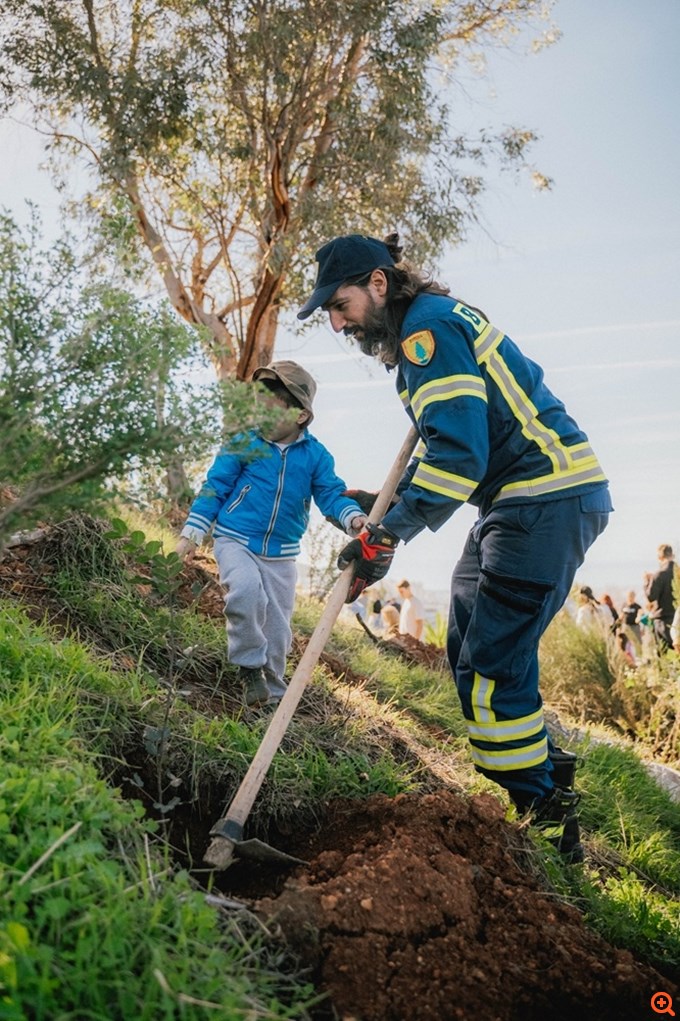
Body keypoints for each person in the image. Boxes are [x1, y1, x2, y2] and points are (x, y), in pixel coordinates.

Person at [298, 232, 613, 861]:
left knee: (491, 671)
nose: (336, 322)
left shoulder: (428, 336)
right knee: (469, 652)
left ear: (378, 284)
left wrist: (389, 531)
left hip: (542, 501)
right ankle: (549, 780)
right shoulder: (433, 324)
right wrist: (384, 503)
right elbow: (455, 445)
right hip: (522, 502)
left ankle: (544, 817)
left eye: (339, 304)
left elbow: (459, 457)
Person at [175, 361, 366, 708]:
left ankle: (273, 696)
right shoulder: (243, 443)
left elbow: (331, 495)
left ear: (301, 417)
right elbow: (214, 489)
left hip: (282, 555)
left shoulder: (316, 456)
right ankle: (249, 667)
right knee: (245, 592)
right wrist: (191, 533)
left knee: (278, 630)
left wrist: (352, 519)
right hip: (235, 539)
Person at [643, 544, 676, 653]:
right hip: (677, 616)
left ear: (659, 557)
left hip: (663, 618)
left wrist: (647, 582)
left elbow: (651, 596)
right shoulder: (678, 572)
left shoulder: (659, 575)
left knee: (665, 654)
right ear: (672, 555)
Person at [617, 590, 642, 654]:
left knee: (637, 642)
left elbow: (640, 614)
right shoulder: (624, 605)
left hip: (635, 626)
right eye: (629, 596)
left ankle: (638, 655)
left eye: (632, 596)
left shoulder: (637, 606)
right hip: (626, 626)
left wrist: (638, 617)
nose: (630, 597)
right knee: (624, 642)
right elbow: (620, 616)